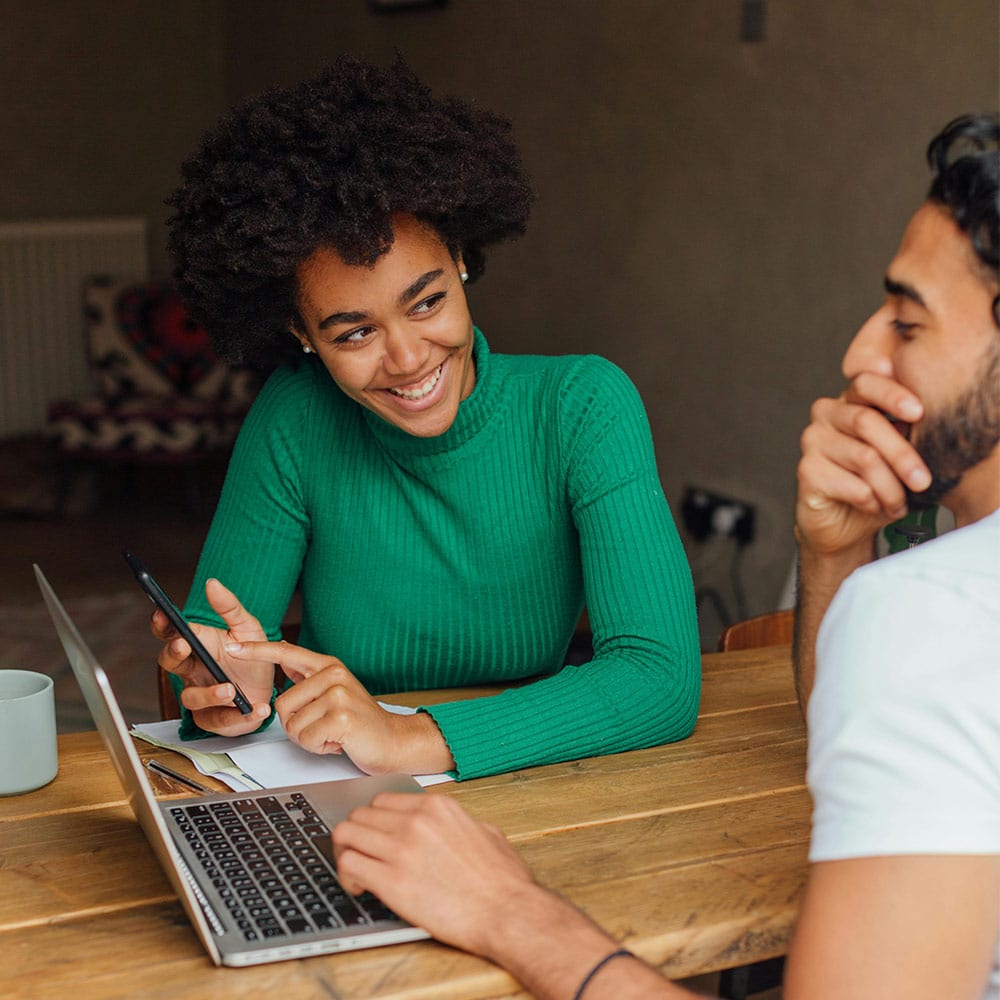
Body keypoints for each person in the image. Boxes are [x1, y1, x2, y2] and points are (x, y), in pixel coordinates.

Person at [327, 113, 1000, 999]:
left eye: (908, 323)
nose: (859, 351)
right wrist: (834, 555)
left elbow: (658, 676)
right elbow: (861, 742)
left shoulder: (930, 614)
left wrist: (507, 909)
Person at [154, 56, 701, 781]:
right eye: (353, 334)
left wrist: (411, 740)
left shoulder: (582, 406)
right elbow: (213, 660)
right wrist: (231, 694)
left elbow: (659, 681)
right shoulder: (293, 420)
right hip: (347, 788)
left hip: (539, 777)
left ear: (463, 259)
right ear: (299, 335)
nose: (408, 358)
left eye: (427, 302)